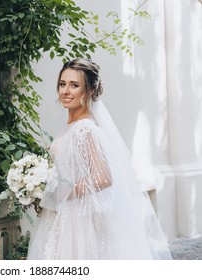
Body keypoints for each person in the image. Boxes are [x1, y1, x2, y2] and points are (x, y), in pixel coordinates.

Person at [27, 58, 172, 259]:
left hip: (79, 222)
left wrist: (60, 192)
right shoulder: (72, 126)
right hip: (65, 217)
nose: (65, 91)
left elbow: (103, 178)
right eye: (62, 84)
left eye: (74, 85)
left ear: (89, 91)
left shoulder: (85, 129)